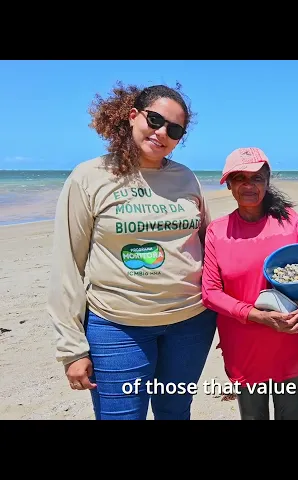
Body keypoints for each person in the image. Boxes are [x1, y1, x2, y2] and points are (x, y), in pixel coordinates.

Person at [46, 82, 217, 420]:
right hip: (118, 326)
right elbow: (67, 265)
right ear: (133, 116)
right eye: (155, 120)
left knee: (175, 412)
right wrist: (72, 348)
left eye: (174, 129)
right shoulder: (89, 177)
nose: (162, 132)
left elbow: (210, 247)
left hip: (191, 324)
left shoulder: (186, 178)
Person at [201, 147, 298, 420]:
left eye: (257, 178)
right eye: (240, 178)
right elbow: (211, 293)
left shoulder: (289, 221)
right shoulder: (218, 230)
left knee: (291, 414)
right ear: (228, 185)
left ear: (267, 181)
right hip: (244, 343)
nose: (248, 185)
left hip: (291, 336)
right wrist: (258, 316)